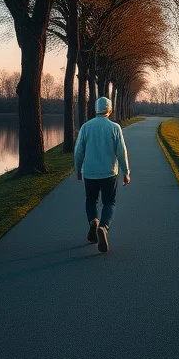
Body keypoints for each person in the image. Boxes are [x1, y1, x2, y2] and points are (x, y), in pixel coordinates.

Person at [73, 96, 130, 253]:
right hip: (109, 173)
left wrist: (78, 170)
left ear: (96, 110)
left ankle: (93, 222)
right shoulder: (115, 127)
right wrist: (126, 172)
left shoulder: (86, 127)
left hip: (90, 173)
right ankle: (104, 227)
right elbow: (121, 152)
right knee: (109, 202)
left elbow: (78, 151)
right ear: (109, 110)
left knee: (91, 200)